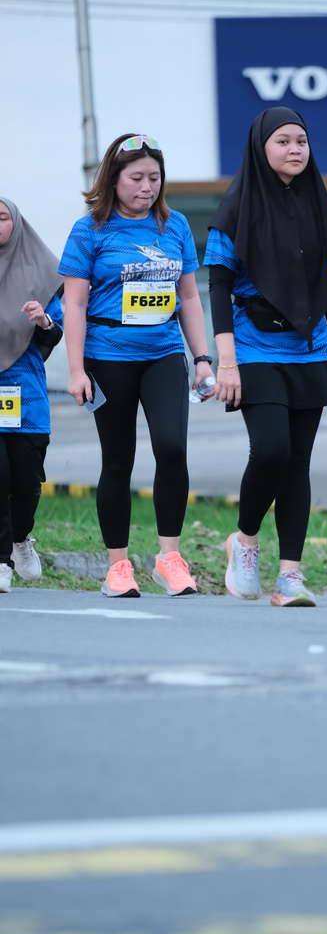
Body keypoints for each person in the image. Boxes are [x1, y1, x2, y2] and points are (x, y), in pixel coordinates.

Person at [205, 106, 327, 607]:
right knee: (271, 449)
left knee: (298, 463)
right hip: (254, 346)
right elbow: (218, 285)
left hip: (310, 348)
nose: (295, 149)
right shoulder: (235, 206)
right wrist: (226, 361)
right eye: (283, 141)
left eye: (301, 141)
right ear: (261, 147)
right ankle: (245, 541)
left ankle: (290, 574)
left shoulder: (318, 202)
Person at [60, 134, 216, 598]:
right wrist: (75, 371)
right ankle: (118, 567)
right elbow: (74, 304)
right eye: (137, 178)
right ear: (113, 179)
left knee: (172, 448)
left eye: (155, 177)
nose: (147, 187)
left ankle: (169, 559)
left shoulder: (175, 224)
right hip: (107, 356)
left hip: (163, 352)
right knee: (118, 459)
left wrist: (202, 359)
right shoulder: (90, 229)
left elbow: (189, 296)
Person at [0, 198, 63, 593]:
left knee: (26, 481)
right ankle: (1, 560)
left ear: (17, 223)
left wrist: (42, 320)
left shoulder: (40, 270)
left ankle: (21, 536)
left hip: (24, 388)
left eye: (1, 217)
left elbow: (54, 334)